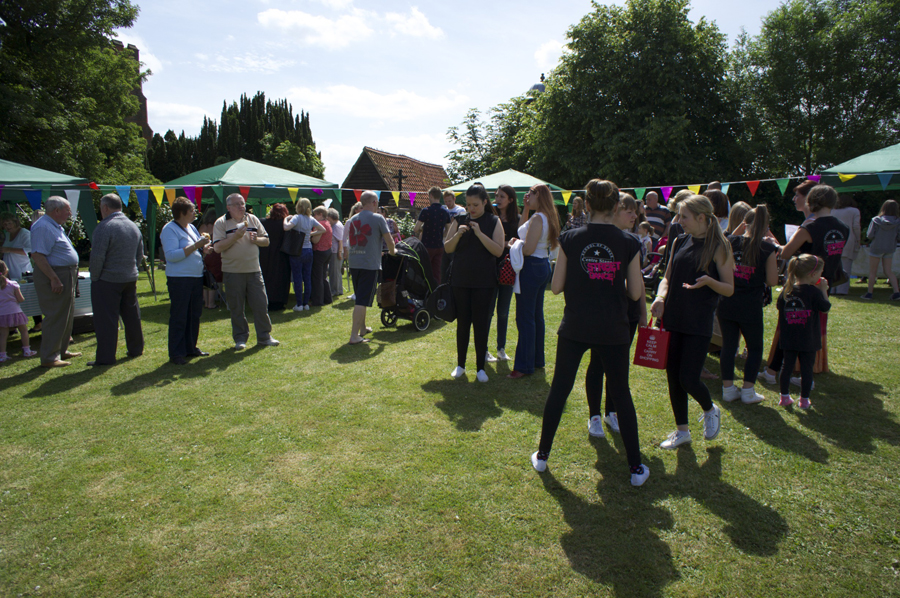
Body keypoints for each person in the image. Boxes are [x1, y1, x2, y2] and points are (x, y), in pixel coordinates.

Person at [531, 179, 649, 486]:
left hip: (576, 326)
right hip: (613, 327)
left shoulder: (570, 238)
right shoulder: (628, 242)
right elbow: (636, 292)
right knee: (621, 393)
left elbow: (555, 287)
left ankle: (542, 455)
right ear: (614, 206)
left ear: (587, 203)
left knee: (560, 389)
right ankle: (636, 468)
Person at [650, 195, 734, 450]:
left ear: (701, 217)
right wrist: (660, 297)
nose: (679, 221)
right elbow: (667, 276)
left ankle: (710, 409)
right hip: (673, 317)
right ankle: (682, 431)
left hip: (698, 321)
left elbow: (729, 288)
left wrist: (709, 281)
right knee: (673, 377)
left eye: (683, 216)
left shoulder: (720, 245)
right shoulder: (679, 240)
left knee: (689, 378)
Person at [763, 184, 848, 379]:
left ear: (811, 201)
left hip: (801, 285)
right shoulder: (843, 227)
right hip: (824, 285)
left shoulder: (810, 227)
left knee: (791, 327)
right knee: (813, 330)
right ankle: (804, 370)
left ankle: (779, 371)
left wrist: (772, 243)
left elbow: (785, 252)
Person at [591, 192, 647, 436]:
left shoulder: (633, 242)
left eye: (636, 211)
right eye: (629, 211)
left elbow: (639, 284)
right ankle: (594, 415)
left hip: (628, 314)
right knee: (597, 364)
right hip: (603, 312)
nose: (635, 216)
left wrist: (643, 313)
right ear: (614, 211)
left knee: (619, 368)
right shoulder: (597, 241)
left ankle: (611, 412)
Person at [718, 205, 778, 404]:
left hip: (726, 301)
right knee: (754, 348)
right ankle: (748, 390)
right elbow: (772, 281)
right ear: (766, 226)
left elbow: (726, 236)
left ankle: (727, 389)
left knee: (728, 345)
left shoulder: (731, 241)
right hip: (750, 305)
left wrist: (742, 228)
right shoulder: (768, 248)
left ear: (745, 224)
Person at [444, 184, 503, 381]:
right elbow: (447, 248)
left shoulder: (493, 220)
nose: (471, 209)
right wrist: (458, 233)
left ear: (485, 202)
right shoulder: (459, 219)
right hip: (461, 280)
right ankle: (460, 365)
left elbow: (498, 251)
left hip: (484, 282)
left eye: (475, 204)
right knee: (463, 324)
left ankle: (480, 368)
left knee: (481, 324)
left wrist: (479, 234)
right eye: (468, 205)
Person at [213, 193, 279, 349]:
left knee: (261, 304)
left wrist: (257, 239)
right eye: (236, 204)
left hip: (254, 270)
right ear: (228, 207)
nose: (241, 207)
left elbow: (266, 241)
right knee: (236, 307)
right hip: (232, 271)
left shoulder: (253, 219)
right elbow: (217, 247)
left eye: (242, 203)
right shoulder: (221, 223)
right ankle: (240, 338)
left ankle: (264, 336)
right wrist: (235, 236)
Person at [87, 193, 145, 366]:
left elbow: (97, 257)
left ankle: (105, 357)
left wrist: (95, 277)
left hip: (108, 279)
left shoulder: (105, 227)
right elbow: (139, 254)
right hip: (129, 277)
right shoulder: (133, 226)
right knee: (132, 315)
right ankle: (136, 348)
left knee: (106, 319)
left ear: (105, 208)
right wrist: (132, 269)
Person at [509, 184, 559, 379]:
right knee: (536, 316)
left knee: (525, 318)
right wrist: (526, 208)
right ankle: (536, 361)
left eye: (531, 193)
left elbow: (528, 248)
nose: (527, 196)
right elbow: (521, 230)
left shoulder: (539, 218)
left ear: (540, 195)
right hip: (542, 266)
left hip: (532, 267)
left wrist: (514, 245)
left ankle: (523, 366)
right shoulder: (544, 216)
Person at [30, 196, 82, 367]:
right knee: (55, 315)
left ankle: (61, 350)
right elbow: (37, 255)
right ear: (57, 210)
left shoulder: (53, 225)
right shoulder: (42, 227)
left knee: (66, 314)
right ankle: (49, 357)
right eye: (67, 210)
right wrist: (54, 278)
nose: (69, 214)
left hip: (65, 273)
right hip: (56, 275)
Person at [161, 197, 211, 365]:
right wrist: (197, 246)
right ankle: (176, 352)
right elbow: (171, 256)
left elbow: (196, 248)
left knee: (194, 314)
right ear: (181, 213)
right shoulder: (170, 229)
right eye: (191, 210)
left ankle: (191, 347)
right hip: (179, 279)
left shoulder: (191, 227)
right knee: (179, 315)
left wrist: (205, 249)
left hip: (195, 277)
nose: (194, 213)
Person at [777, 254, 831, 409]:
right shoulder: (814, 293)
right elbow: (825, 308)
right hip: (808, 339)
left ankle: (784, 397)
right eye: (820, 272)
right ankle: (804, 400)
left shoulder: (787, 291)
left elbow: (780, 307)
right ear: (813, 274)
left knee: (786, 367)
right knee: (807, 370)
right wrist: (823, 290)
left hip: (789, 338)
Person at [346, 191, 395, 345]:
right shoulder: (378, 218)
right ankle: (354, 336)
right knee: (362, 299)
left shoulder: (353, 219)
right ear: (374, 202)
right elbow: (389, 240)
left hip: (354, 263)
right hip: (369, 264)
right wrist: (394, 252)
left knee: (361, 297)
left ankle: (362, 329)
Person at [487, 184, 519, 362]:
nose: (498, 199)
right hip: (490, 268)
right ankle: (484, 350)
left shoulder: (517, 220)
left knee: (504, 311)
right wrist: (505, 243)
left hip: (508, 271)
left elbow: (521, 242)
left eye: (502, 196)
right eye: (497, 195)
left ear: (511, 200)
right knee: (488, 311)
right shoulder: (491, 218)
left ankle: (501, 348)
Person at [283, 198, 325, 312]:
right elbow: (323, 229)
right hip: (309, 250)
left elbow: (286, 227)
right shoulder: (310, 219)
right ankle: (306, 303)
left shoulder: (296, 217)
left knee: (297, 278)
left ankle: (299, 304)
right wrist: (311, 233)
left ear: (298, 206)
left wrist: (286, 219)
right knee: (307, 278)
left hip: (297, 251)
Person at [0, 259, 37, 362]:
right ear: (6, 271)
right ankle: (27, 350)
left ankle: (2, 354)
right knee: (24, 330)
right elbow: (20, 299)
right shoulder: (13, 284)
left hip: (2, 313)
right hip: (15, 311)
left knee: (3, 335)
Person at [862, 199, 900, 300]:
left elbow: (869, 235)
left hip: (877, 247)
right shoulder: (898, 221)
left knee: (872, 271)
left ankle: (869, 293)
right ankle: (896, 292)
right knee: (888, 271)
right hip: (890, 247)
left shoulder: (876, 220)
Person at [414, 186, 451, 284]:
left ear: (431, 195)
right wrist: (441, 234)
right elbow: (449, 229)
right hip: (439, 246)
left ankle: (423, 292)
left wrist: (423, 228)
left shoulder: (426, 210)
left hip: (427, 245)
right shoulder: (445, 211)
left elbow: (416, 229)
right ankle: (435, 294)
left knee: (424, 271)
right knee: (437, 273)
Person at [258, 203, 292, 311]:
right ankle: (279, 302)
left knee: (266, 278)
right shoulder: (285, 225)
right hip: (281, 255)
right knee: (281, 278)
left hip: (265, 255)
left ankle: (265, 301)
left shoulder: (263, 222)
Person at [831, 195, 861, 295]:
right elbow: (856, 226)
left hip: (833, 239)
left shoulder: (832, 210)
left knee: (833, 265)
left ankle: (832, 289)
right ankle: (842, 290)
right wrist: (858, 239)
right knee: (846, 266)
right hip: (849, 239)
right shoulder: (854, 211)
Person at [441, 190, 467, 283]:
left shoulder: (460, 211)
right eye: (446, 201)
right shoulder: (444, 210)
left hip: (454, 241)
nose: (447, 203)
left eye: (449, 201)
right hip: (443, 240)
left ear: (454, 199)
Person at [198, 208, 222, 309]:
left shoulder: (202, 227)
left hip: (203, 254)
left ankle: (206, 301)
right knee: (213, 279)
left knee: (206, 277)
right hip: (214, 253)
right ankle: (211, 303)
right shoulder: (217, 226)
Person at [311, 205, 333, 306]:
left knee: (317, 278)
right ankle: (327, 298)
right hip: (328, 251)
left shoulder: (319, 224)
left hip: (319, 251)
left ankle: (318, 301)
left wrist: (310, 235)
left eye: (315, 214)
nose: (313, 216)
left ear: (320, 214)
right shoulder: (328, 223)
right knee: (323, 276)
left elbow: (315, 240)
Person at [1, 211, 32, 281]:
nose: (7, 226)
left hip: (22, 272)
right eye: (5, 224)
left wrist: (9, 249)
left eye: (9, 223)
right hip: (10, 273)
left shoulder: (24, 233)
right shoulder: (7, 234)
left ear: (15, 222)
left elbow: (31, 250)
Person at [343, 202, 364, 300]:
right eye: (361, 208)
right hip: (352, 249)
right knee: (354, 272)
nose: (363, 209)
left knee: (362, 272)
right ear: (356, 210)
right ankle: (356, 292)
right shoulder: (349, 221)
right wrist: (345, 250)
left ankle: (359, 292)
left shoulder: (365, 221)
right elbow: (344, 237)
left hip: (363, 249)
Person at [327, 208, 344, 297]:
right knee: (334, 271)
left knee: (335, 272)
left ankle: (335, 290)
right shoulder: (335, 224)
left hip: (336, 251)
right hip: (334, 251)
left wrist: (339, 252)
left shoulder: (337, 225)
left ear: (331, 216)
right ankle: (337, 290)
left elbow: (340, 240)